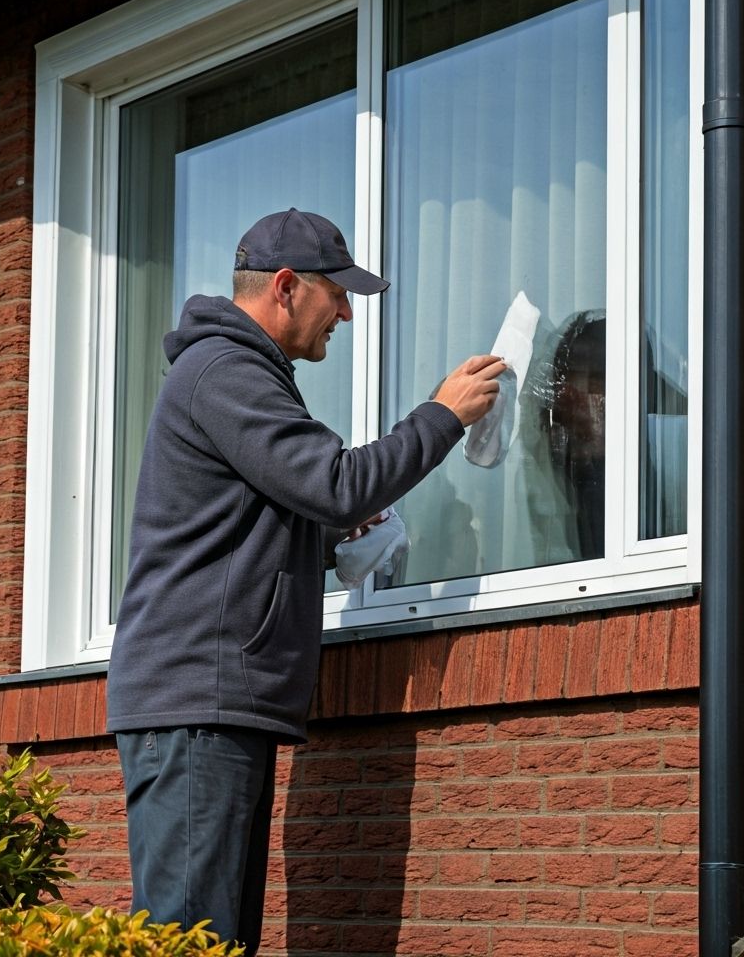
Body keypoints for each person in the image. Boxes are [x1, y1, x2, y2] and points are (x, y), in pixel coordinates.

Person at [106, 208, 504, 954]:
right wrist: (441, 416)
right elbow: (335, 481)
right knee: (192, 943)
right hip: (199, 701)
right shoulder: (226, 371)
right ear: (286, 287)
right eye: (338, 293)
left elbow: (256, 521)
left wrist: (325, 540)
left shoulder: (243, 373)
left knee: (214, 940)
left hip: (214, 701)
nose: (348, 313)